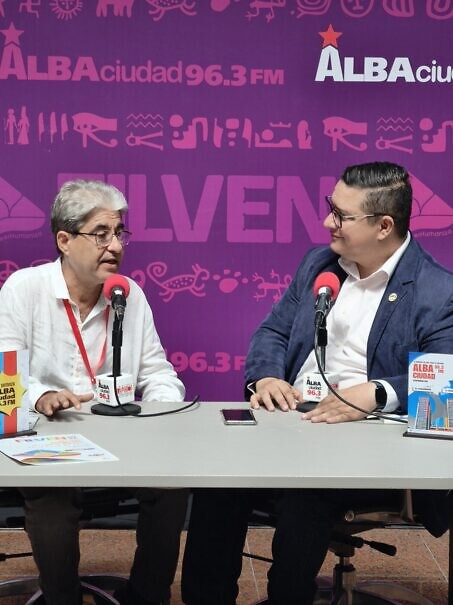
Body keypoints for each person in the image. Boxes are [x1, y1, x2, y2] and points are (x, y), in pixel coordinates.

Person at [181, 162, 453, 605]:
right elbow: (273, 332)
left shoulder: (437, 290)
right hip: (293, 423)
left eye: (341, 215)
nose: (328, 222)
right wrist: (266, 376)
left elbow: (447, 374)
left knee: (304, 493)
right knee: (218, 480)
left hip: (368, 445)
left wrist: (378, 393)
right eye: (331, 208)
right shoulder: (318, 264)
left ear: (384, 226)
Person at [0, 180, 188, 605]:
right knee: (52, 500)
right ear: (64, 241)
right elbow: (4, 381)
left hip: (121, 438)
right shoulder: (24, 289)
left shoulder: (128, 294)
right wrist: (40, 397)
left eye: (119, 233)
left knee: (172, 488)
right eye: (100, 234)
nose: (115, 246)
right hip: (46, 439)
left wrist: (159, 410)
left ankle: (147, 596)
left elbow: (158, 371)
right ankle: (62, 598)